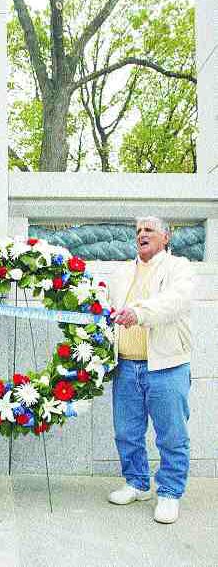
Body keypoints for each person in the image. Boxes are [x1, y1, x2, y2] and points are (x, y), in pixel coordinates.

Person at [108, 216, 193, 524]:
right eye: (138, 231)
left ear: (165, 237)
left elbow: (175, 302)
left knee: (171, 434)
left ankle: (169, 494)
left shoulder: (179, 268)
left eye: (149, 230)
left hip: (166, 366)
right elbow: (105, 309)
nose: (141, 235)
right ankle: (137, 483)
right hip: (126, 366)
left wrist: (139, 313)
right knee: (126, 432)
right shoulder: (121, 273)